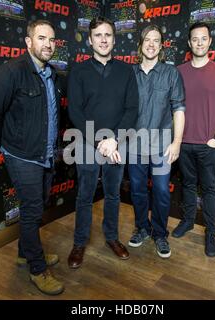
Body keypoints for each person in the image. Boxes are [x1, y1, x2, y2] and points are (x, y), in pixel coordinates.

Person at [0, 20, 64, 295]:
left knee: (37, 206)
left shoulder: (52, 74)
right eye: (42, 38)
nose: (48, 44)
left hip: (46, 154)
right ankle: (37, 268)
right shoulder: (10, 72)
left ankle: (23, 253)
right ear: (28, 42)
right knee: (32, 211)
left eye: (52, 40)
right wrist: (10, 145)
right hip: (22, 156)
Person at [67, 16, 138, 269]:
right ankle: (79, 243)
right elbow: (75, 111)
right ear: (90, 40)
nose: (103, 39)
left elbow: (132, 109)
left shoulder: (126, 70)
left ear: (114, 39)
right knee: (85, 195)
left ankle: (112, 238)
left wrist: (114, 140)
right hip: (88, 143)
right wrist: (100, 141)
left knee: (112, 195)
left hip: (117, 144)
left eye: (108, 35)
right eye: (98, 35)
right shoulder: (79, 71)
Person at [173, 22, 215, 257]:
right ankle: (188, 221)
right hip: (184, 142)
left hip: (208, 145)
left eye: (203, 38)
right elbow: (173, 106)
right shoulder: (178, 71)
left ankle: (211, 233)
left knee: (209, 189)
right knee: (188, 185)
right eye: (195, 39)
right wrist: (176, 140)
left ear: (209, 42)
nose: (199, 42)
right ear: (189, 43)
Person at [127, 25, 185, 258]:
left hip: (162, 146)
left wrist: (177, 141)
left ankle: (160, 233)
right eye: (147, 40)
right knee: (138, 190)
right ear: (140, 45)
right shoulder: (129, 73)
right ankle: (142, 227)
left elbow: (179, 108)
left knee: (161, 191)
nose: (151, 44)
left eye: (156, 40)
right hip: (134, 144)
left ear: (161, 46)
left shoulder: (171, 74)